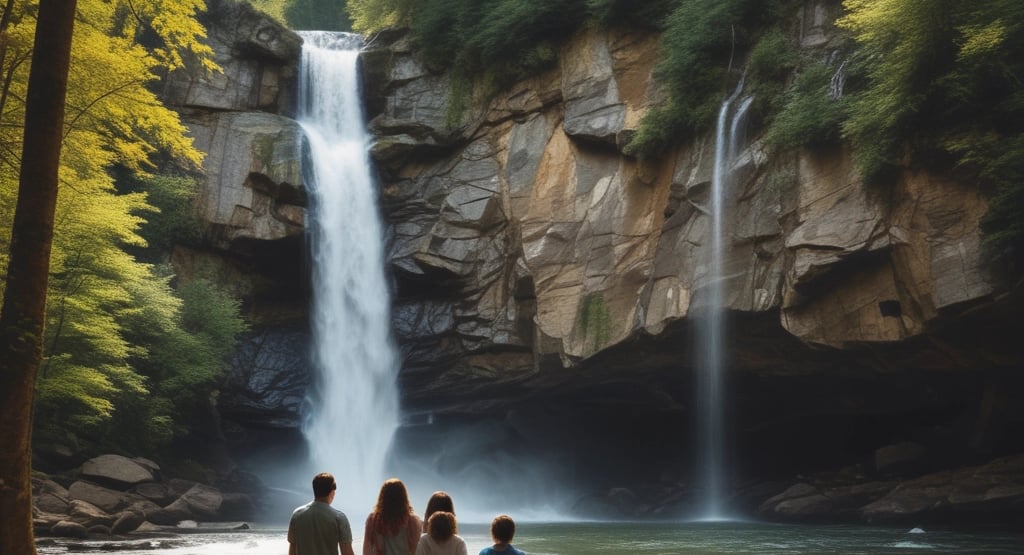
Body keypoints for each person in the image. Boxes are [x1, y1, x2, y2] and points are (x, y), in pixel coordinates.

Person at [288, 472, 355, 555]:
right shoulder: (339, 518)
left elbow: (292, 550)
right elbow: (347, 552)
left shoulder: (297, 515)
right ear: (332, 492)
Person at [363, 478, 423, 555]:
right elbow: (416, 550)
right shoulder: (412, 522)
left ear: (382, 497)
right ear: (404, 498)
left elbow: (366, 549)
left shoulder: (373, 520)